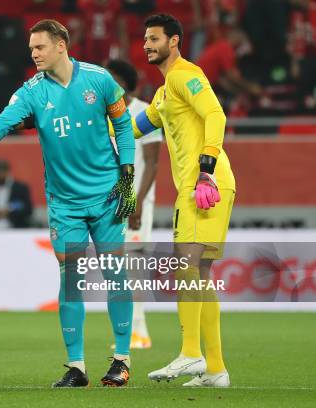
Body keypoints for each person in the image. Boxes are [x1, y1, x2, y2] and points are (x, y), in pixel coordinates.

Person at [0, 20, 136, 387]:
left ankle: (121, 359)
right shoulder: (31, 90)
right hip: (65, 203)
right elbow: (7, 120)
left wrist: (127, 174)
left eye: (39, 47)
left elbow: (123, 126)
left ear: (61, 45)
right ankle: (77, 367)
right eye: (31, 49)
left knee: (114, 274)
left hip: (107, 195)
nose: (34, 54)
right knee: (72, 281)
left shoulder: (100, 79)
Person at [135, 14, 235, 387]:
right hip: (198, 186)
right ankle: (215, 369)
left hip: (205, 183)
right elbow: (134, 127)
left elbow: (215, 113)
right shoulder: (163, 94)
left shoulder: (185, 75)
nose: (147, 44)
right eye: (145, 39)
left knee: (186, 264)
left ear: (174, 41)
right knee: (199, 272)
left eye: (155, 38)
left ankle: (191, 353)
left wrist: (206, 162)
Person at [107, 59, 162, 350]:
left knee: (135, 264)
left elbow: (152, 163)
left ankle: (139, 329)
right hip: (110, 202)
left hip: (138, 200)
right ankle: (126, 329)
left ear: (126, 82)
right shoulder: (103, 115)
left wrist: (137, 202)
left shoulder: (145, 112)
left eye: (113, 78)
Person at [0, 159, 33, 228]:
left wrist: (9, 212)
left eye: (3, 170)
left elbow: (28, 210)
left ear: (8, 171)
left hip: (16, 230)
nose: (1, 174)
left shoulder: (21, 189)